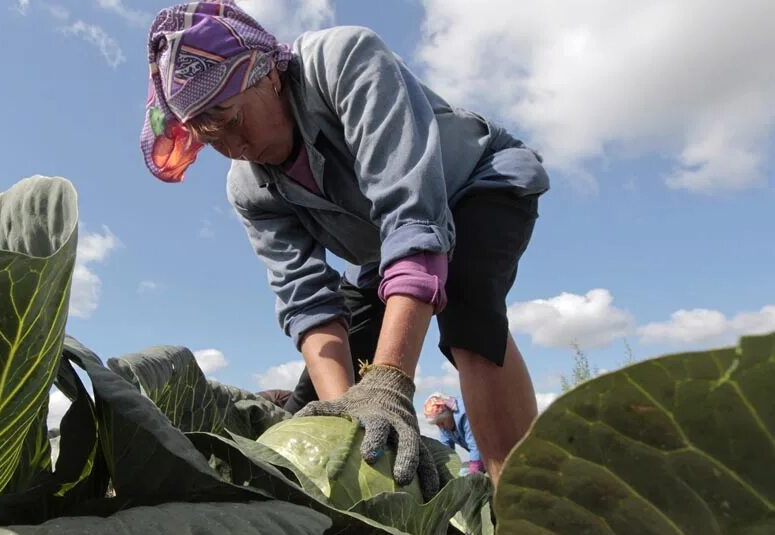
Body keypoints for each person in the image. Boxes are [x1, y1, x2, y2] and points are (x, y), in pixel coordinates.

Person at [141, 1, 549, 495]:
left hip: (478, 182)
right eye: (210, 135)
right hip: (385, 250)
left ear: (267, 76)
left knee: (466, 304)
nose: (234, 146)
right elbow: (307, 302)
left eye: (231, 117)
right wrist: (352, 427)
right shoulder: (249, 189)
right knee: (326, 389)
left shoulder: (345, 61)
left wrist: (389, 384)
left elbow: (413, 219)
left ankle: (524, 512)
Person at [423, 393, 483, 476]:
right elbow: (445, 448)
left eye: (441, 423)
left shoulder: (466, 414)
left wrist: (474, 470)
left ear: (449, 414)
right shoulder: (445, 425)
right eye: (438, 425)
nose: (441, 428)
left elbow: (475, 444)